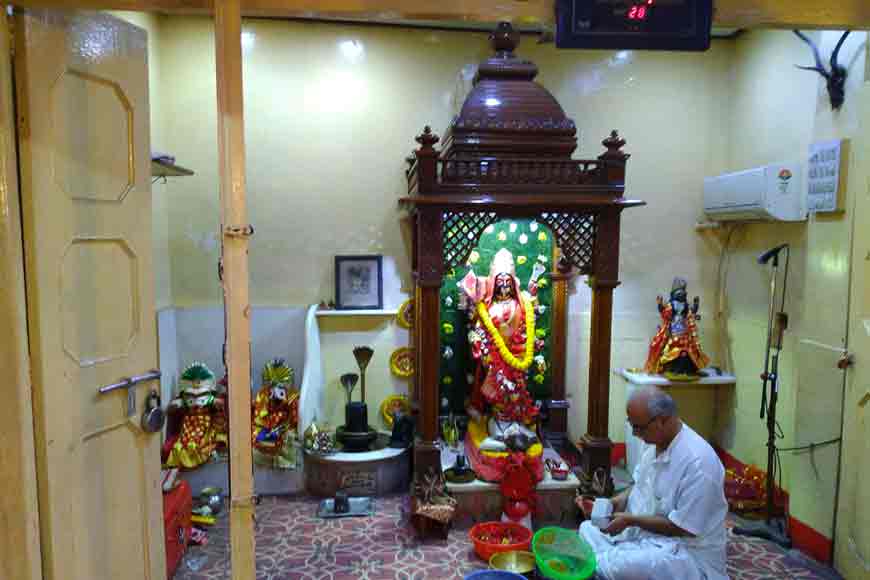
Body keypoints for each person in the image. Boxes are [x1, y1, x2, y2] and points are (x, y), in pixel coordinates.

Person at [577, 387, 728, 580]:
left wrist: (630, 520)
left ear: (662, 420)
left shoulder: (699, 463)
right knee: (587, 529)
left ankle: (609, 563)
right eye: (631, 425)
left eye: (638, 427)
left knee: (613, 566)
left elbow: (682, 528)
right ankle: (612, 560)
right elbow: (638, 487)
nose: (634, 433)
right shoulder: (655, 444)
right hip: (644, 534)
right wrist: (614, 503)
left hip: (686, 552)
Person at [644, 277, 710, 377]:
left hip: (686, 336)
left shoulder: (686, 308)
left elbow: (692, 313)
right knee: (673, 352)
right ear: (674, 296)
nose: (681, 296)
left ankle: (693, 369)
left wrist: (696, 304)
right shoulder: (671, 307)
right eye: (678, 294)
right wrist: (660, 304)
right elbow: (664, 313)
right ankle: (672, 369)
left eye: (683, 294)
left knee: (691, 352)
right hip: (673, 336)